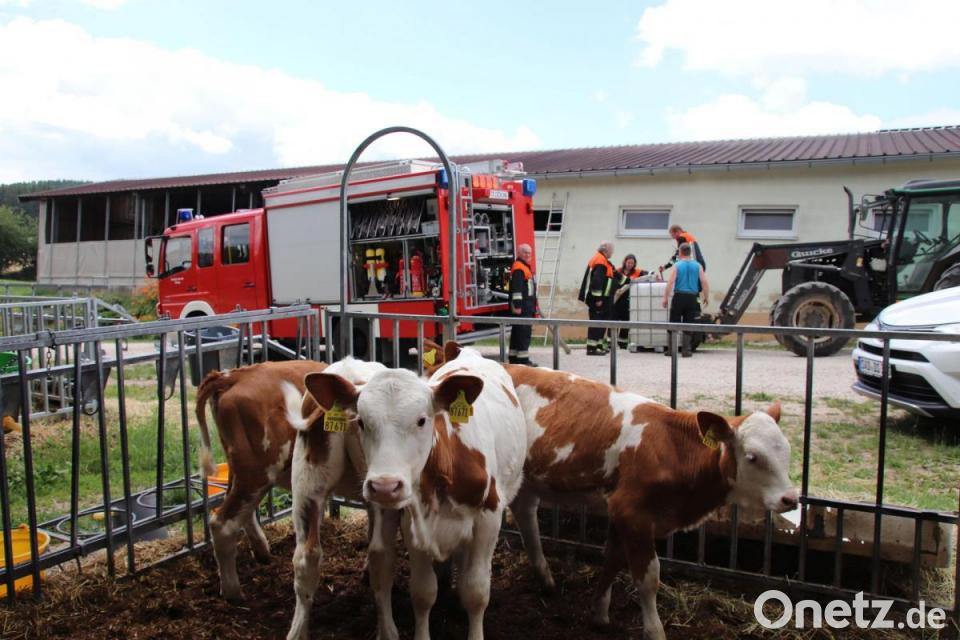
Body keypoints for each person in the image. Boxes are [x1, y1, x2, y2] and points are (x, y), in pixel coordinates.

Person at [662, 242, 709, 357]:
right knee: (688, 323)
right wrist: (706, 296)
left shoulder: (677, 265)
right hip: (692, 297)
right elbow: (704, 281)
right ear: (690, 252)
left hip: (679, 296)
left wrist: (665, 297)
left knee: (674, 322)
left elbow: (671, 282)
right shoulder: (698, 266)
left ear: (680, 252)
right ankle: (686, 350)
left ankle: (671, 350)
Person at [578, 241, 615, 355]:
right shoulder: (600, 261)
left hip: (603, 299)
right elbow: (597, 281)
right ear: (606, 250)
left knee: (601, 322)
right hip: (597, 299)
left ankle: (598, 345)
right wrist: (598, 299)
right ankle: (592, 348)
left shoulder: (603, 260)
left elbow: (613, 276)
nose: (612, 252)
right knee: (596, 323)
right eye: (612, 250)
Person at [508, 243, 538, 366]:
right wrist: (518, 306)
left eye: (529, 253)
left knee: (518, 332)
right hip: (523, 307)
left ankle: (514, 358)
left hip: (526, 306)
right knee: (523, 333)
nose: (527, 255)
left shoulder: (523, 267)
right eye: (525, 252)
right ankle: (523, 360)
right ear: (519, 253)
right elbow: (517, 289)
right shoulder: (519, 268)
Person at [610, 254, 648, 350]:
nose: (630, 265)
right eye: (628, 262)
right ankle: (611, 342)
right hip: (617, 299)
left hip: (628, 300)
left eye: (632, 263)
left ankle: (622, 342)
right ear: (624, 262)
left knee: (626, 321)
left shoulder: (637, 272)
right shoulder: (618, 271)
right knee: (613, 320)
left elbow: (646, 275)